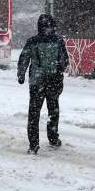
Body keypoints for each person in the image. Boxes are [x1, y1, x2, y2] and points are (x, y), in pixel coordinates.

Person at [17, 14, 69, 154]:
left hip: (36, 82)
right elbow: (65, 61)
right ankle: (53, 138)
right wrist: (58, 68)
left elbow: (24, 59)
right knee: (53, 111)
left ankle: (33, 145)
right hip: (54, 81)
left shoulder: (32, 41)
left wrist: (21, 75)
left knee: (34, 113)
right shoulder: (58, 41)